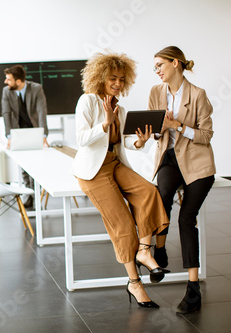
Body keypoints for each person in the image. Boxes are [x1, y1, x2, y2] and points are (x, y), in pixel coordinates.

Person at [70, 52, 170, 308]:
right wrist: (105, 123)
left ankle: (144, 250)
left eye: (122, 79)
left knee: (148, 191)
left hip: (114, 163)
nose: (117, 83)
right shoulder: (88, 101)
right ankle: (134, 283)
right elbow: (81, 139)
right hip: (93, 172)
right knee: (123, 224)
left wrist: (140, 141)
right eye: (113, 78)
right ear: (100, 77)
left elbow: (125, 143)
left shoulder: (120, 108)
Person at [148, 46, 216, 314]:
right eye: (154, 67)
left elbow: (206, 136)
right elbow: (156, 132)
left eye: (159, 65)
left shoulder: (198, 95)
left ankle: (193, 288)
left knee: (187, 218)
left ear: (175, 63)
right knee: (161, 196)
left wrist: (176, 126)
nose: (157, 71)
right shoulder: (156, 92)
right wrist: (150, 133)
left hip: (197, 162)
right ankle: (160, 251)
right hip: (169, 158)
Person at [1, 65, 49, 208]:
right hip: (18, 132)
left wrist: (43, 134)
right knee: (23, 165)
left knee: (35, 165)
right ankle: (29, 195)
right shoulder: (6, 91)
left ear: (19, 81)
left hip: (34, 130)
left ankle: (35, 194)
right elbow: (6, 114)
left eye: (9, 79)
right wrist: (9, 136)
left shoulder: (36, 89)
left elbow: (41, 111)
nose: (5, 82)